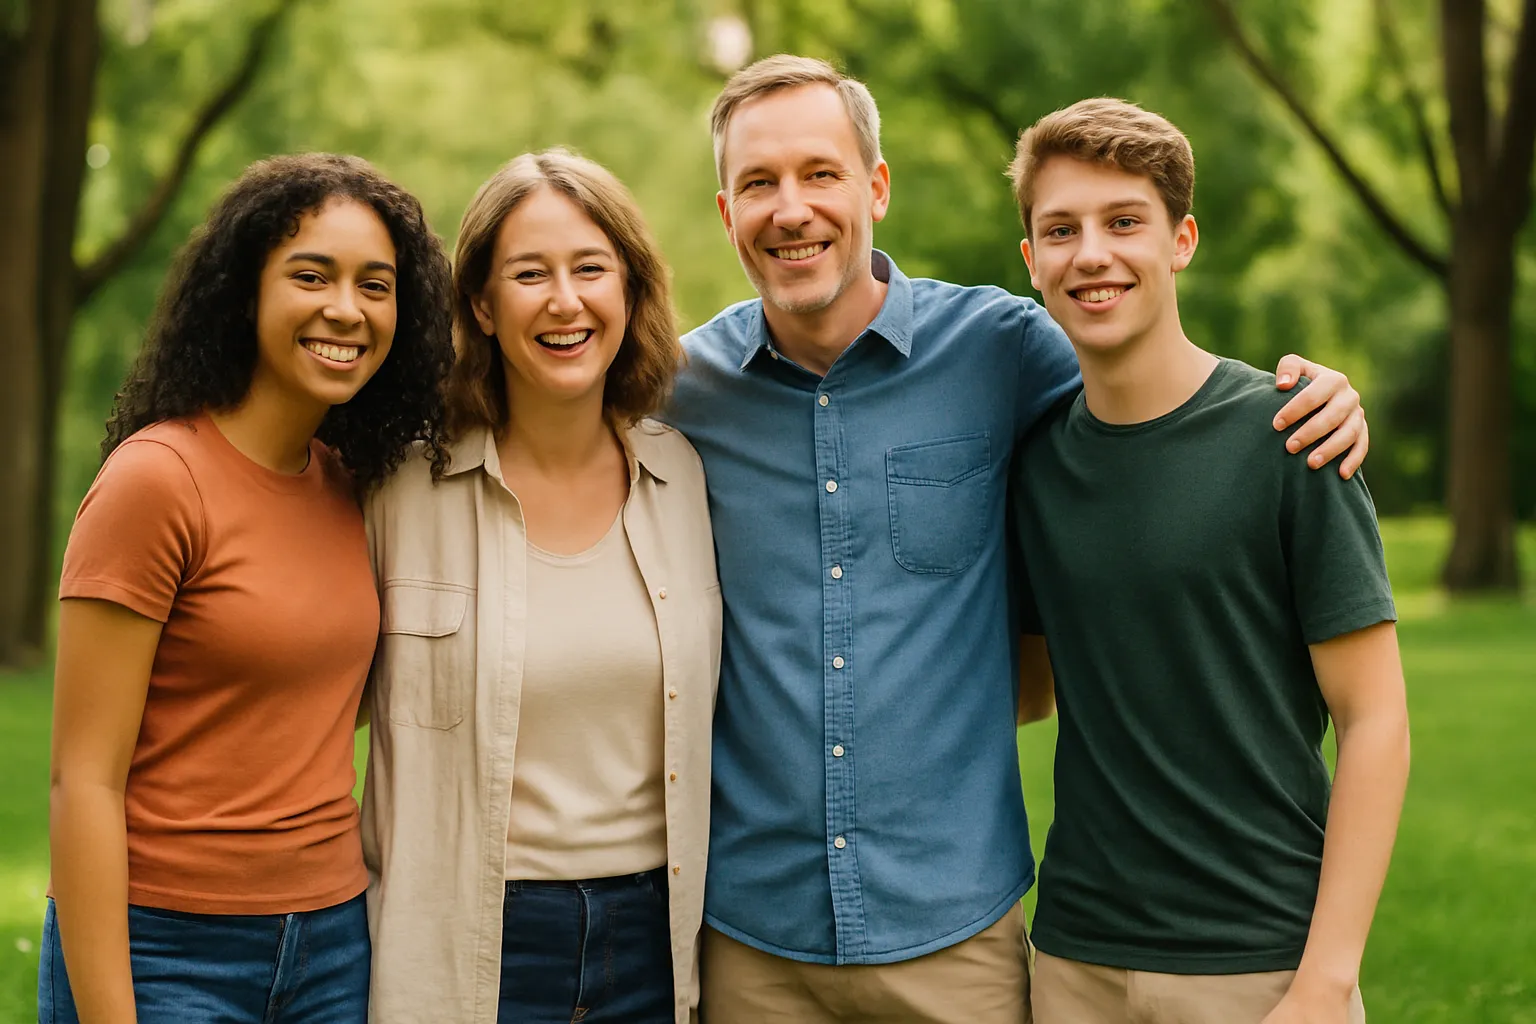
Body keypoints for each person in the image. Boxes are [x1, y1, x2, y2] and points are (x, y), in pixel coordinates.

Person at [662, 55, 1373, 1023]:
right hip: (754, 940)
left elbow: (1154, 388)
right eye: (760, 182)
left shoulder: (1002, 350)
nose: (793, 209)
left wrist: (1312, 395)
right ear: (726, 211)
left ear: (874, 187)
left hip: (959, 935)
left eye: (821, 173)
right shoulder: (677, 391)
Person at [1006, 98, 1409, 1024]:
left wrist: (1326, 981)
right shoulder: (1035, 466)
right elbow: (1033, 688)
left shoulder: (1291, 436)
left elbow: (1375, 718)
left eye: (1124, 223)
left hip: (1262, 962)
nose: (1091, 254)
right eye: (1060, 229)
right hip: (1075, 961)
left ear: (1181, 240)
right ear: (1031, 261)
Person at [42, 154, 454, 1024]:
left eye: (375, 286)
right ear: (245, 293)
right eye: (312, 275)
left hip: (334, 943)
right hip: (165, 948)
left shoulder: (351, 485)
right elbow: (83, 780)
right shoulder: (156, 483)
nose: (347, 309)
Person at [360, 149, 720, 1024]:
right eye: (530, 274)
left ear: (630, 291)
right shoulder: (399, 488)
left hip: (654, 943)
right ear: (482, 305)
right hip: (469, 945)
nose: (566, 301)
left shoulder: (685, 477)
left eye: (591, 268)